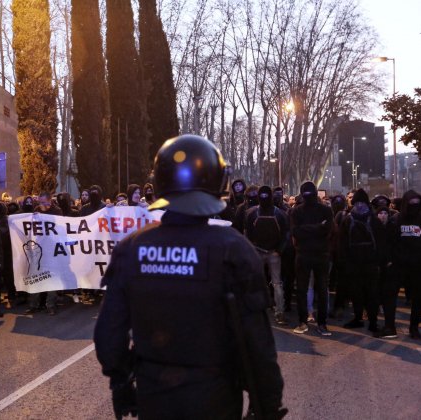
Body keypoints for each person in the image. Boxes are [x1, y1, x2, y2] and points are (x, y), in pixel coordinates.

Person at [94, 134, 285, 420]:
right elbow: (259, 344)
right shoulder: (234, 249)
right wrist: (267, 405)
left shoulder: (131, 248)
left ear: (159, 182)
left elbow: (109, 333)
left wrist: (120, 382)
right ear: (217, 183)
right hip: (216, 397)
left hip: (154, 396)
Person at [338, 189, 387, 333]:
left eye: (361, 203)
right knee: (357, 293)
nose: (359, 206)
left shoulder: (369, 220)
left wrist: (379, 261)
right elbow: (342, 243)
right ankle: (360, 318)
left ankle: (372, 321)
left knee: (371, 293)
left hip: (369, 263)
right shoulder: (350, 220)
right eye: (357, 203)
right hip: (355, 263)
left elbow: (381, 242)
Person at [289, 181, 334, 336]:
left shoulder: (300, 211)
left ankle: (312, 322)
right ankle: (316, 323)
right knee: (312, 289)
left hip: (311, 253)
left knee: (316, 289)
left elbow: (327, 230)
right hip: (313, 253)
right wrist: (318, 227)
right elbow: (296, 232)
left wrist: (306, 229)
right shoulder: (301, 211)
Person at [382, 190, 421, 340]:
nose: (414, 206)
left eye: (417, 203)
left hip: (418, 266)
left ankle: (414, 327)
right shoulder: (395, 220)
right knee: (389, 296)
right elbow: (387, 242)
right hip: (397, 265)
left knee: (419, 298)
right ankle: (389, 326)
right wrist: (389, 261)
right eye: (411, 203)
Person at [245, 186, 289, 325]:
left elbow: (247, 233)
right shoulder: (280, 213)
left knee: (256, 282)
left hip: (259, 251)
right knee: (277, 283)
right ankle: (279, 312)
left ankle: (255, 310)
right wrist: (279, 250)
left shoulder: (252, 213)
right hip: (272, 251)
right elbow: (286, 234)